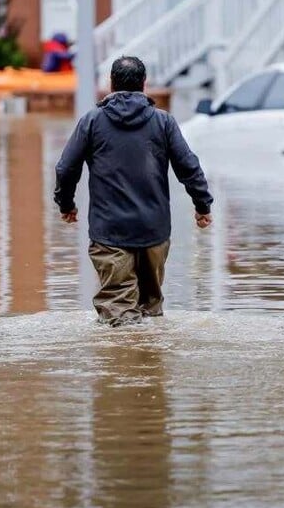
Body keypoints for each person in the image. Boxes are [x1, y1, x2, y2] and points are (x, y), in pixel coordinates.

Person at [54, 56, 213, 326]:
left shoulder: (92, 121)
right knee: (150, 309)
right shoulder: (164, 122)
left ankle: (124, 365)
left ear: (110, 84)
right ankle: (150, 366)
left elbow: (66, 169)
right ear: (144, 84)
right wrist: (202, 206)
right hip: (154, 232)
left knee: (119, 314)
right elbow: (189, 166)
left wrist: (66, 204)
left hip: (109, 233)